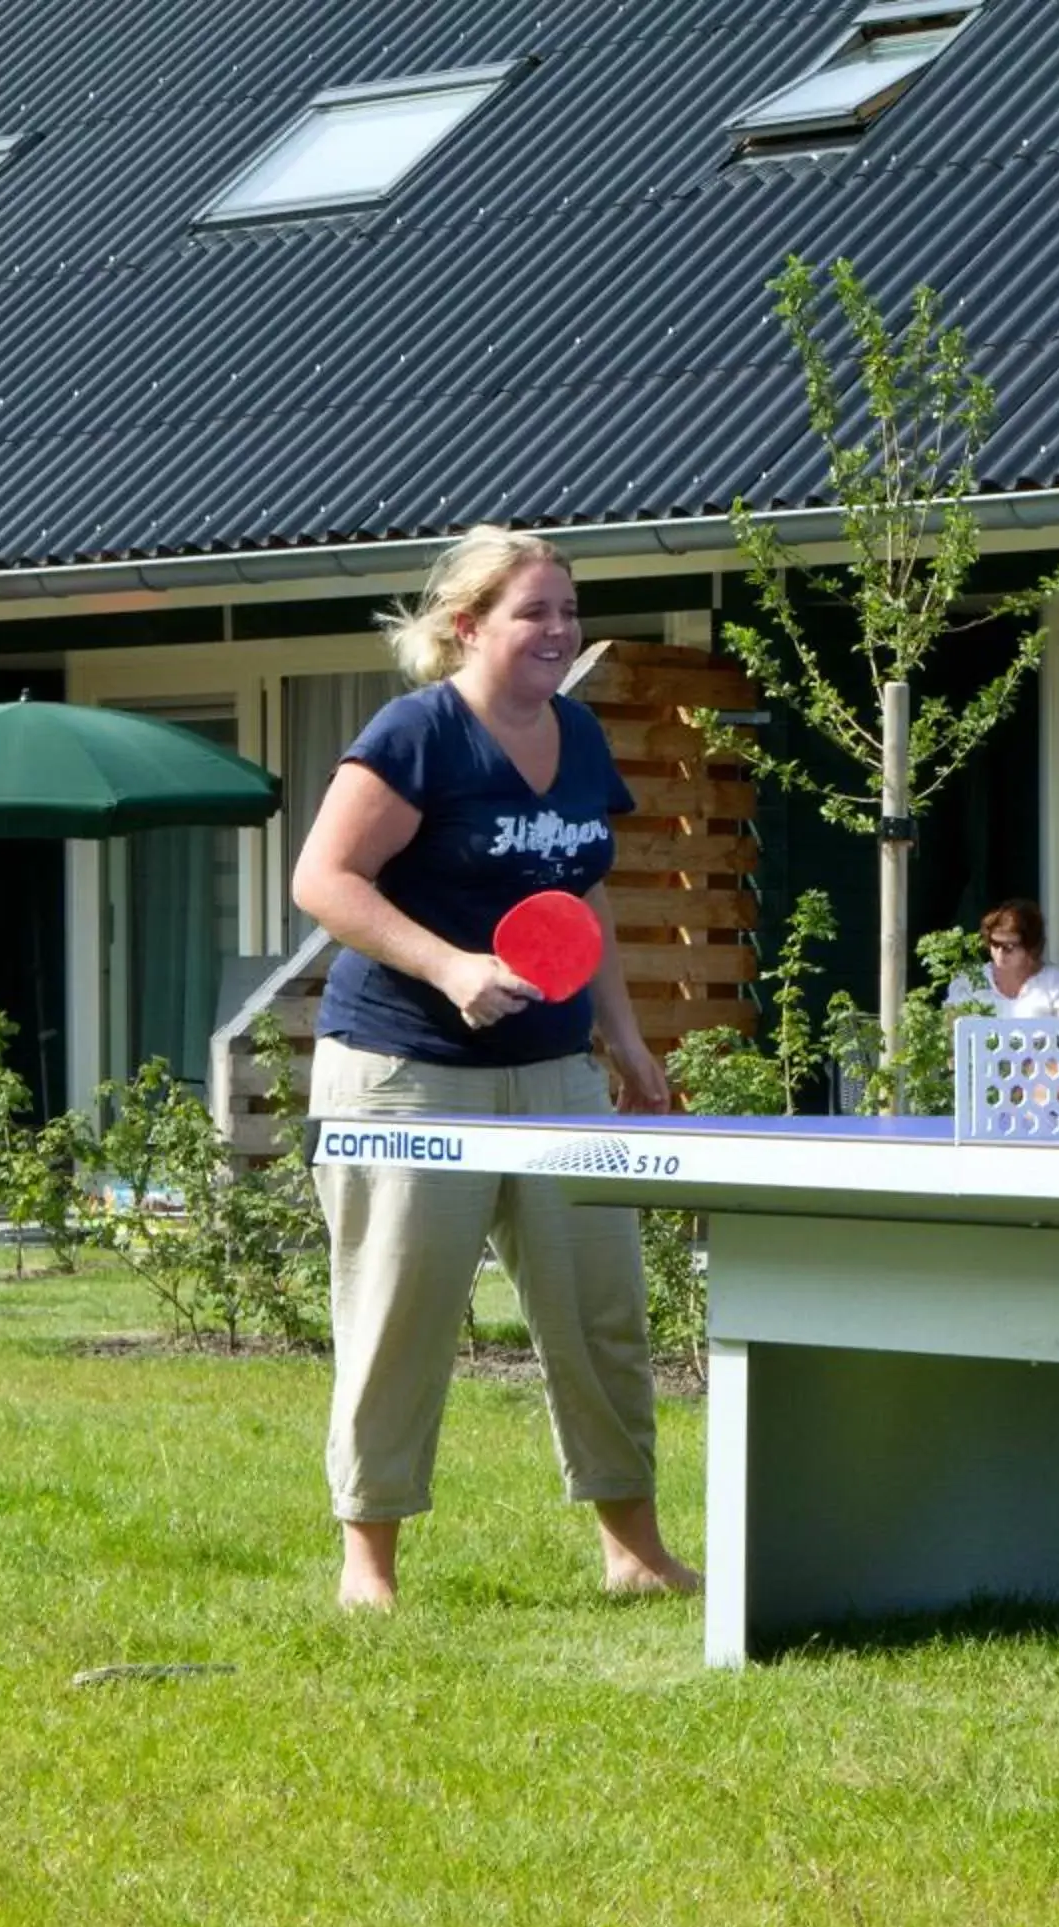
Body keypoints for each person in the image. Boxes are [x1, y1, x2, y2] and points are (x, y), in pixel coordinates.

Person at [291, 525, 699, 1612]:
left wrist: (624, 1038)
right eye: (534, 611)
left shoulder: (576, 733)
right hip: (405, 1066)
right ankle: (368, 1566)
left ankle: (634, 1547)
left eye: (568, 610)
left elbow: (585, 893)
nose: (558, 631)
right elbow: (324, 879)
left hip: (552, 1068)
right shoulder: (416, 734)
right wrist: (449, 965)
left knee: (602, 1308)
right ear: (467, 624)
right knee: (398, 1316)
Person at [946, 898, 1059, 1017]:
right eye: (995, 944)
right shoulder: (968, 981)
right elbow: (950, 1035)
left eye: (1009, 947)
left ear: (1031, 947)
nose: (999, 953)